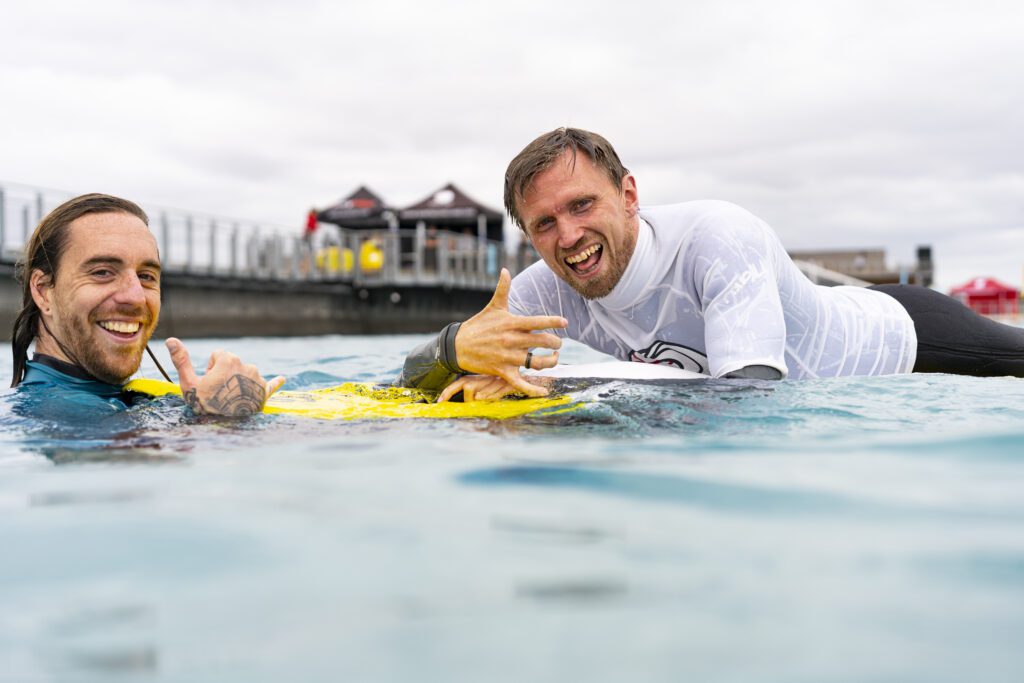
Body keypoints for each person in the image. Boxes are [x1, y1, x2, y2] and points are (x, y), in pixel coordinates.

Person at [397, 127, 1024, 401]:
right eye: (545, 225)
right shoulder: (539, 291)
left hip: (903, 337)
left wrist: (574, 390)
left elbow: (749, 399)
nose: (570, 235)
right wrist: (455, 348)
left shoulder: (717, 238)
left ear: (630, 195)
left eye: (582, 205)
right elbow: (417, 387)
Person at [10, 193, 285, 416]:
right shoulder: (51, 416)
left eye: (146, 276)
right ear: (44, 291)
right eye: (102, 272)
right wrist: (219, 424)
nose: (136, 297)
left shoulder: (123, 400)